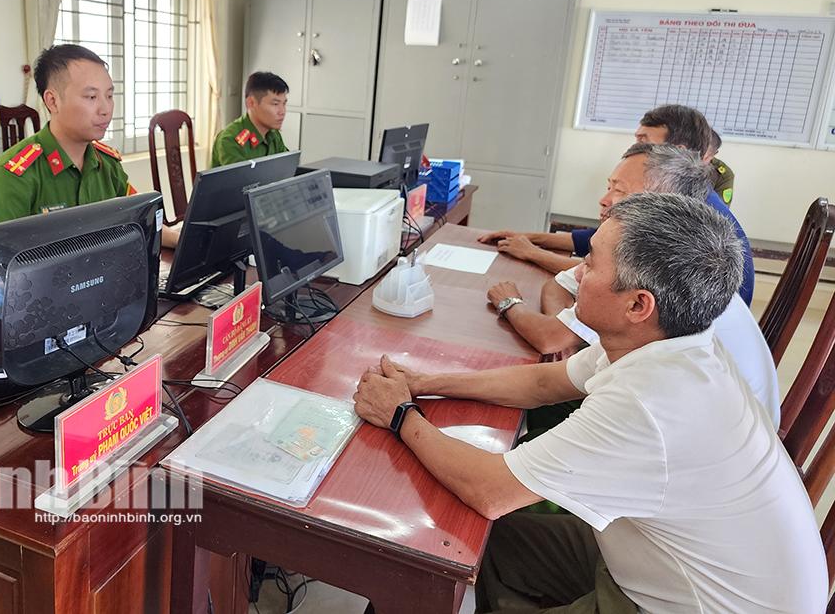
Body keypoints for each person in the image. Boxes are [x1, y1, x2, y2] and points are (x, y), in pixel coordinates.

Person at [353, 193, 826, 612]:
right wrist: (424, 382)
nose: (575, 272)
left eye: (592, 263)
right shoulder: (669, 340)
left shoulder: (651, 404)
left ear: (639, 304)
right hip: (653, 564)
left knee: (460, 536)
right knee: (477, 546)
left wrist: (399, 415)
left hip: (681, 602)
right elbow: (545, 382)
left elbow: (491, 492)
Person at [487, 144, 780, 426]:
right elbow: (559, 287)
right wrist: (567, 326)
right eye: (609, 186)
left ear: (661, 203)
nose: (604, 199)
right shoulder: (662, 247)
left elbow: (549, 338)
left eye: (620, 191)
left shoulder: (667, 271)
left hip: (692, 433)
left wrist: (512, 304)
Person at [482, 104, 754, 305]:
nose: (635, 148)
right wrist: (527, 238)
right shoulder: (685, 195)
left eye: (644, 142)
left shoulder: (686, 218)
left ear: (676, 154)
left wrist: (531, 252)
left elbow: (610, 278)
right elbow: (597, 240)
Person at [0, 44, 178, 246]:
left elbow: (141, 220)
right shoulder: (12, 177)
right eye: (91, 97)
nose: (106, 109)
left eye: (109, 96)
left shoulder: (107, 164)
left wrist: (186, 241)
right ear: (53, 101)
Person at [211, 72, 289, 168]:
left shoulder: (273, 134)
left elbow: (286, 168)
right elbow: (241, 180)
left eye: (284, 104)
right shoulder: (229, 139)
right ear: (251, 103)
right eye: (275, 104)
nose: (282, 111)